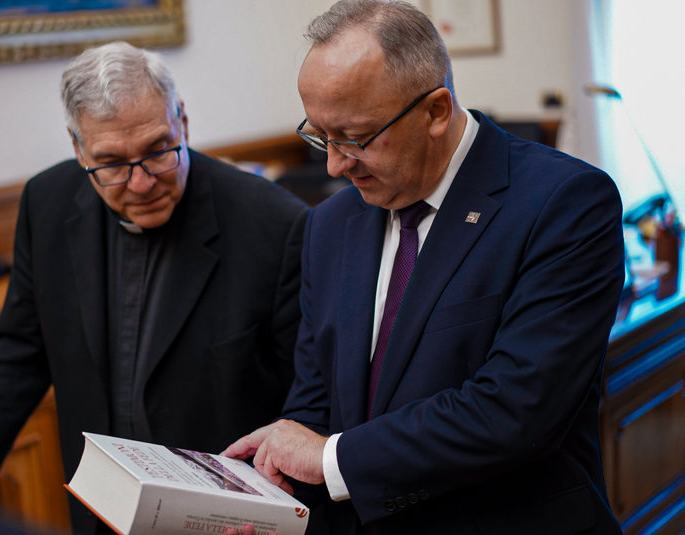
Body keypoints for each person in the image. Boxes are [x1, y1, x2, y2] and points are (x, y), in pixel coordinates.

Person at [222, 1, 626, 534]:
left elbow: (516, 408)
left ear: (436, 111)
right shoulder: (330, 224)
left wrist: (328, 459)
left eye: (355, 138)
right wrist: (269, 502)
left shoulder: (565, 203)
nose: (334, 165)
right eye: (320, 136)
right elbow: (317, 406)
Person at [0, 41, 307, 535]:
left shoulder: (273, 223)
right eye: (110, 163)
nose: (141, 184)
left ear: (182, 121)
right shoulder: (46, 203)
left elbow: (306, 399)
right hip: (98, 510)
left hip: (224, 518)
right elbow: (20, 358)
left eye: (158, 151)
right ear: (77, 146)